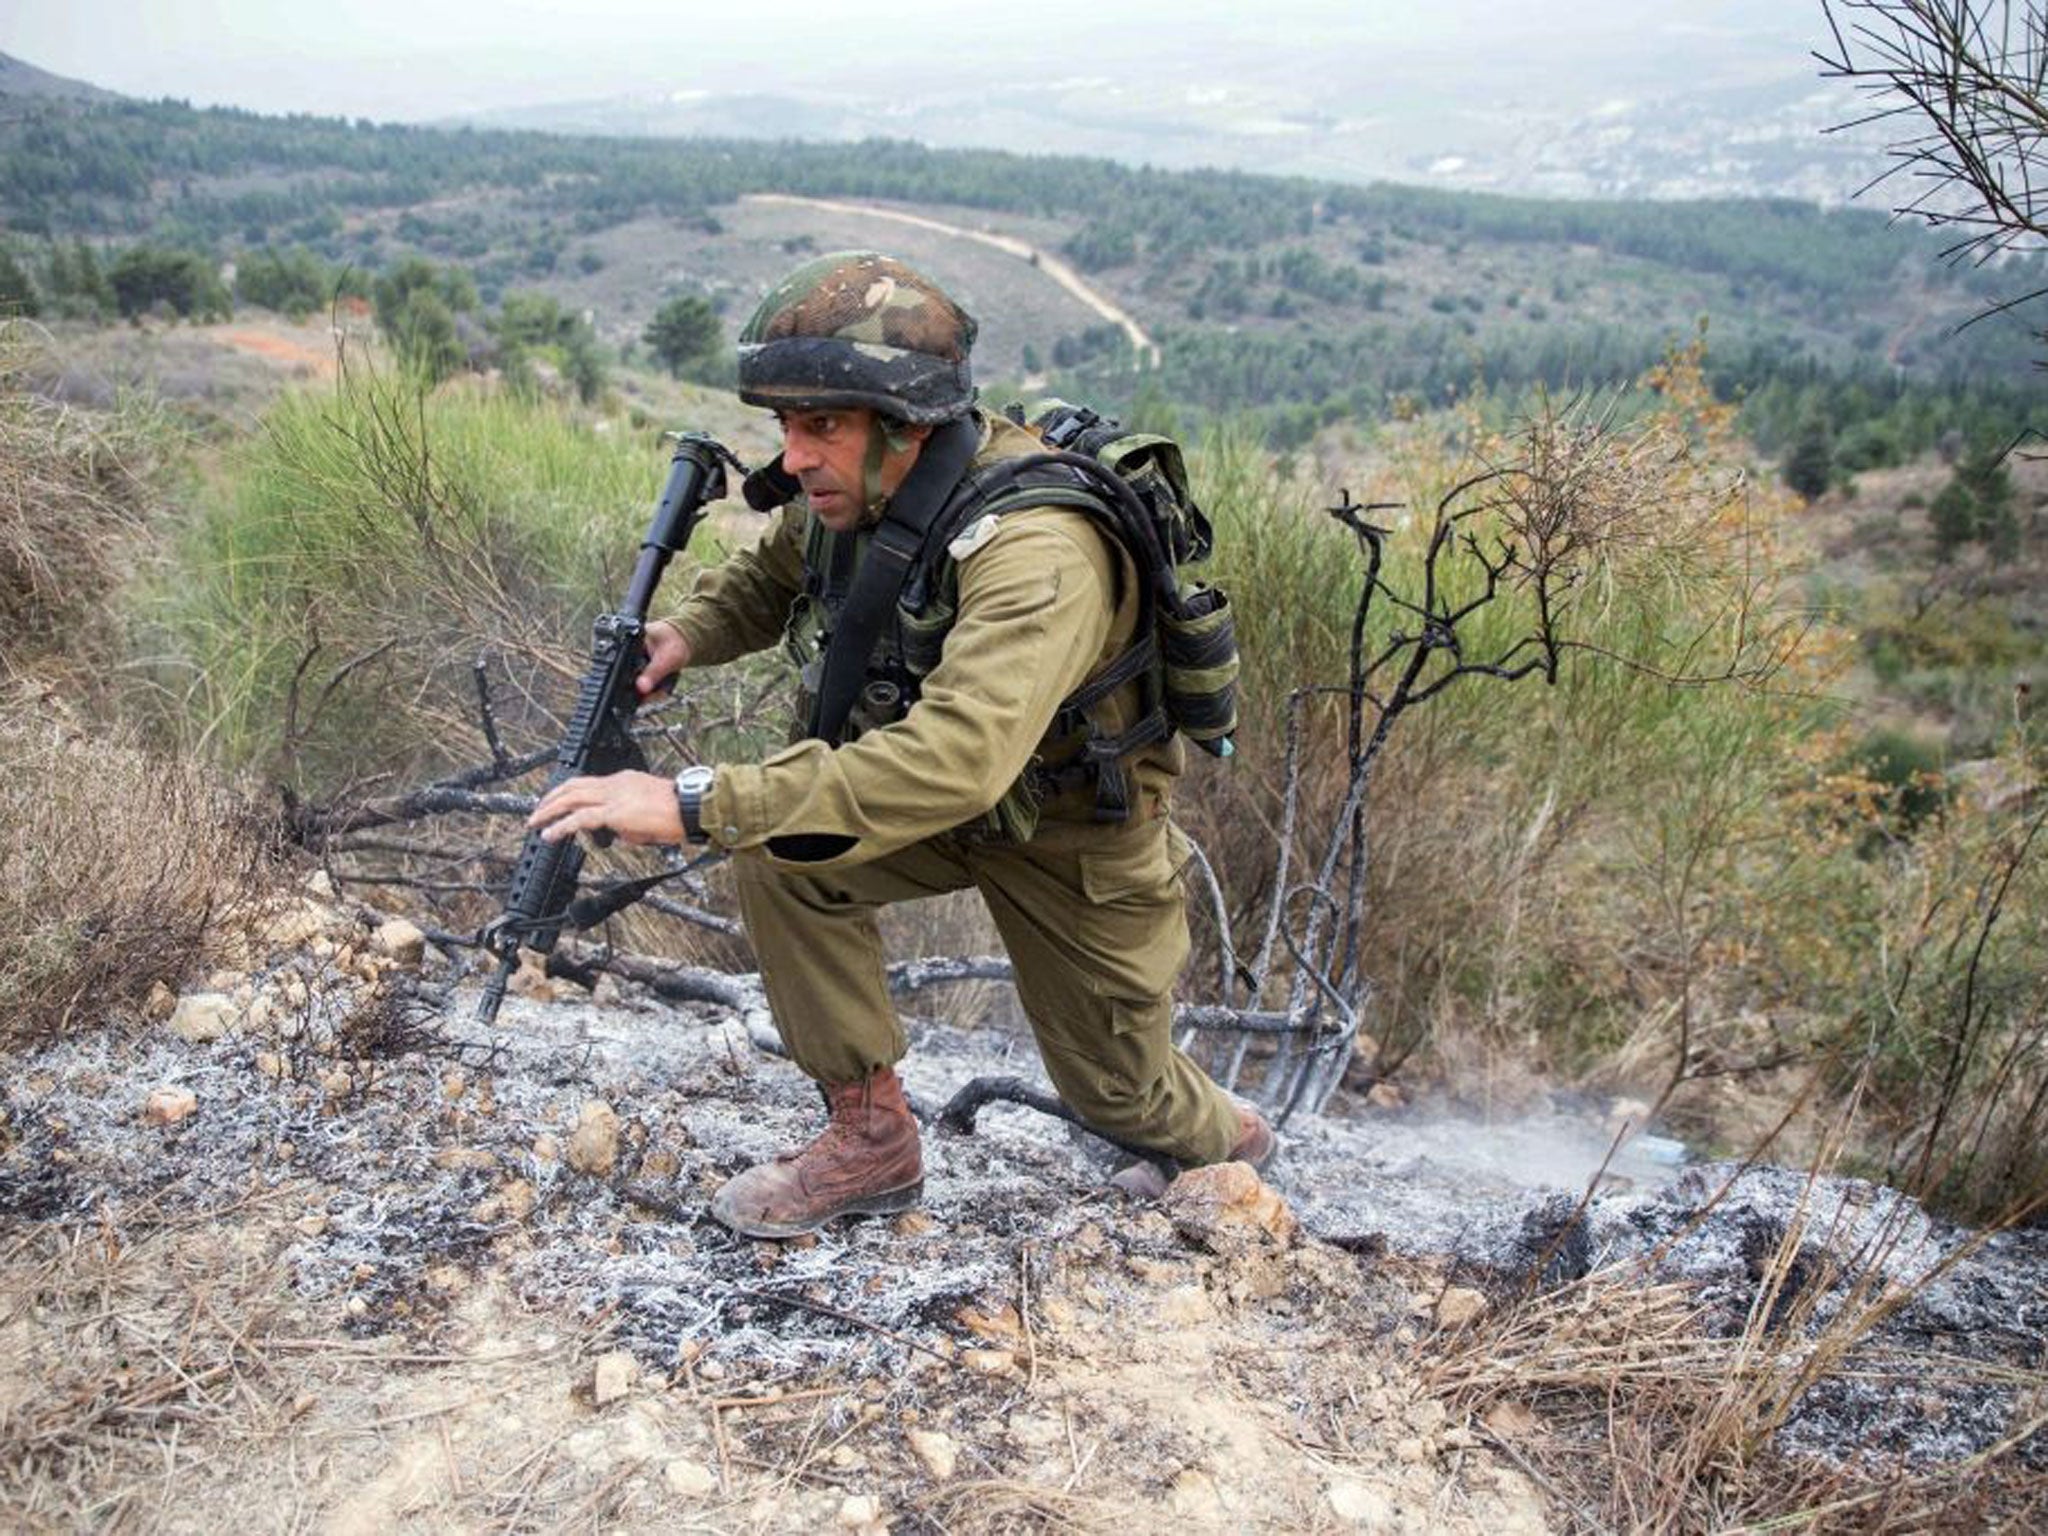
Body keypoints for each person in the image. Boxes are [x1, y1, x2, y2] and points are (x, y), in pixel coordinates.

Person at [528, 251, 1274, 1238]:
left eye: (820, 428)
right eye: (785, 427)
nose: (793, 457)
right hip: (936, 803)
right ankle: (871, 1142)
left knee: (1122, 1100)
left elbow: (957, 758)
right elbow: (778, 569)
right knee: (783, 853)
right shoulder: (860, 484)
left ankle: (1233, 1145)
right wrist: (685, 637)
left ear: (909, 425)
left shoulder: (1037, 550)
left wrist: (694, 802)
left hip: (1069, 833)